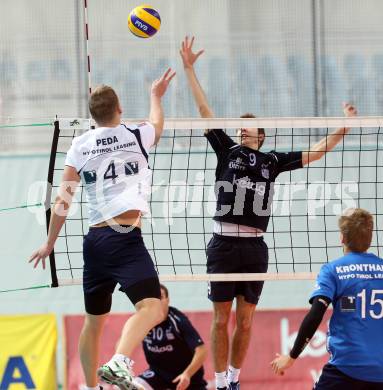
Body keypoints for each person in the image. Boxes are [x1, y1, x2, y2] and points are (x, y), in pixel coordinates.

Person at [179, 36, 357, 390]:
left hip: (255, 248)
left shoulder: (272, 161)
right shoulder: (226, 149)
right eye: (240, 125)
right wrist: (188, 68)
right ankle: (217, 381)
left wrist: (344, 127)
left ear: (261, 134)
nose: (243, 127)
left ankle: (233, 379)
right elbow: (203, 111)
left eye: (251, 125)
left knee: (244, 322)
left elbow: (316, 152)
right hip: (223, 243)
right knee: (220, 319)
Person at [29, 68, 176, 390]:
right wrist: (155, 96)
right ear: (119, 108)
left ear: (93, 115)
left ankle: (91, 387)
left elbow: (62, 200)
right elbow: (158, 123)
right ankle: (120, 361)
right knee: (152, 307)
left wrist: (49, 243)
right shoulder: (135, 135)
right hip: (123, 238)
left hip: (94, 241)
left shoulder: (80, 145)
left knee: (93, 322)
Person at [271, 208, 383, 389]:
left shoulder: (333, 270)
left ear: (342, 239)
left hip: (346, 369)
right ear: (370, 239)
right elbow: (352, 304)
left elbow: (315, 315)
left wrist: (291, 357)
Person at [135, 284, 208, 390]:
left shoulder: (178, 320)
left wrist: (187, 374)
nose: (157, 302)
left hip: (186, 378)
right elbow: (123, 343)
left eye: (160, 297)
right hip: (158, 375)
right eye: (154, 298)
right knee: (132, 387)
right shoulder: (142, 320)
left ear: (167, 300)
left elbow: (202, 351)